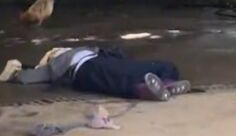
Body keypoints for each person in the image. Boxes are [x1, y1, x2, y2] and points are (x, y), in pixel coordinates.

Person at [3, 46, 189, 101]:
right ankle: (144, 90)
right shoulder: (55, 66)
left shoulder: (90, 50)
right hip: (85, 71)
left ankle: (167, 82)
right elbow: (29, 76)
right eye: (53, 52)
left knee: (163, 66)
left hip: (103, 61)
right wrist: (16, 72)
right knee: (118, 79)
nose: (57, 50)